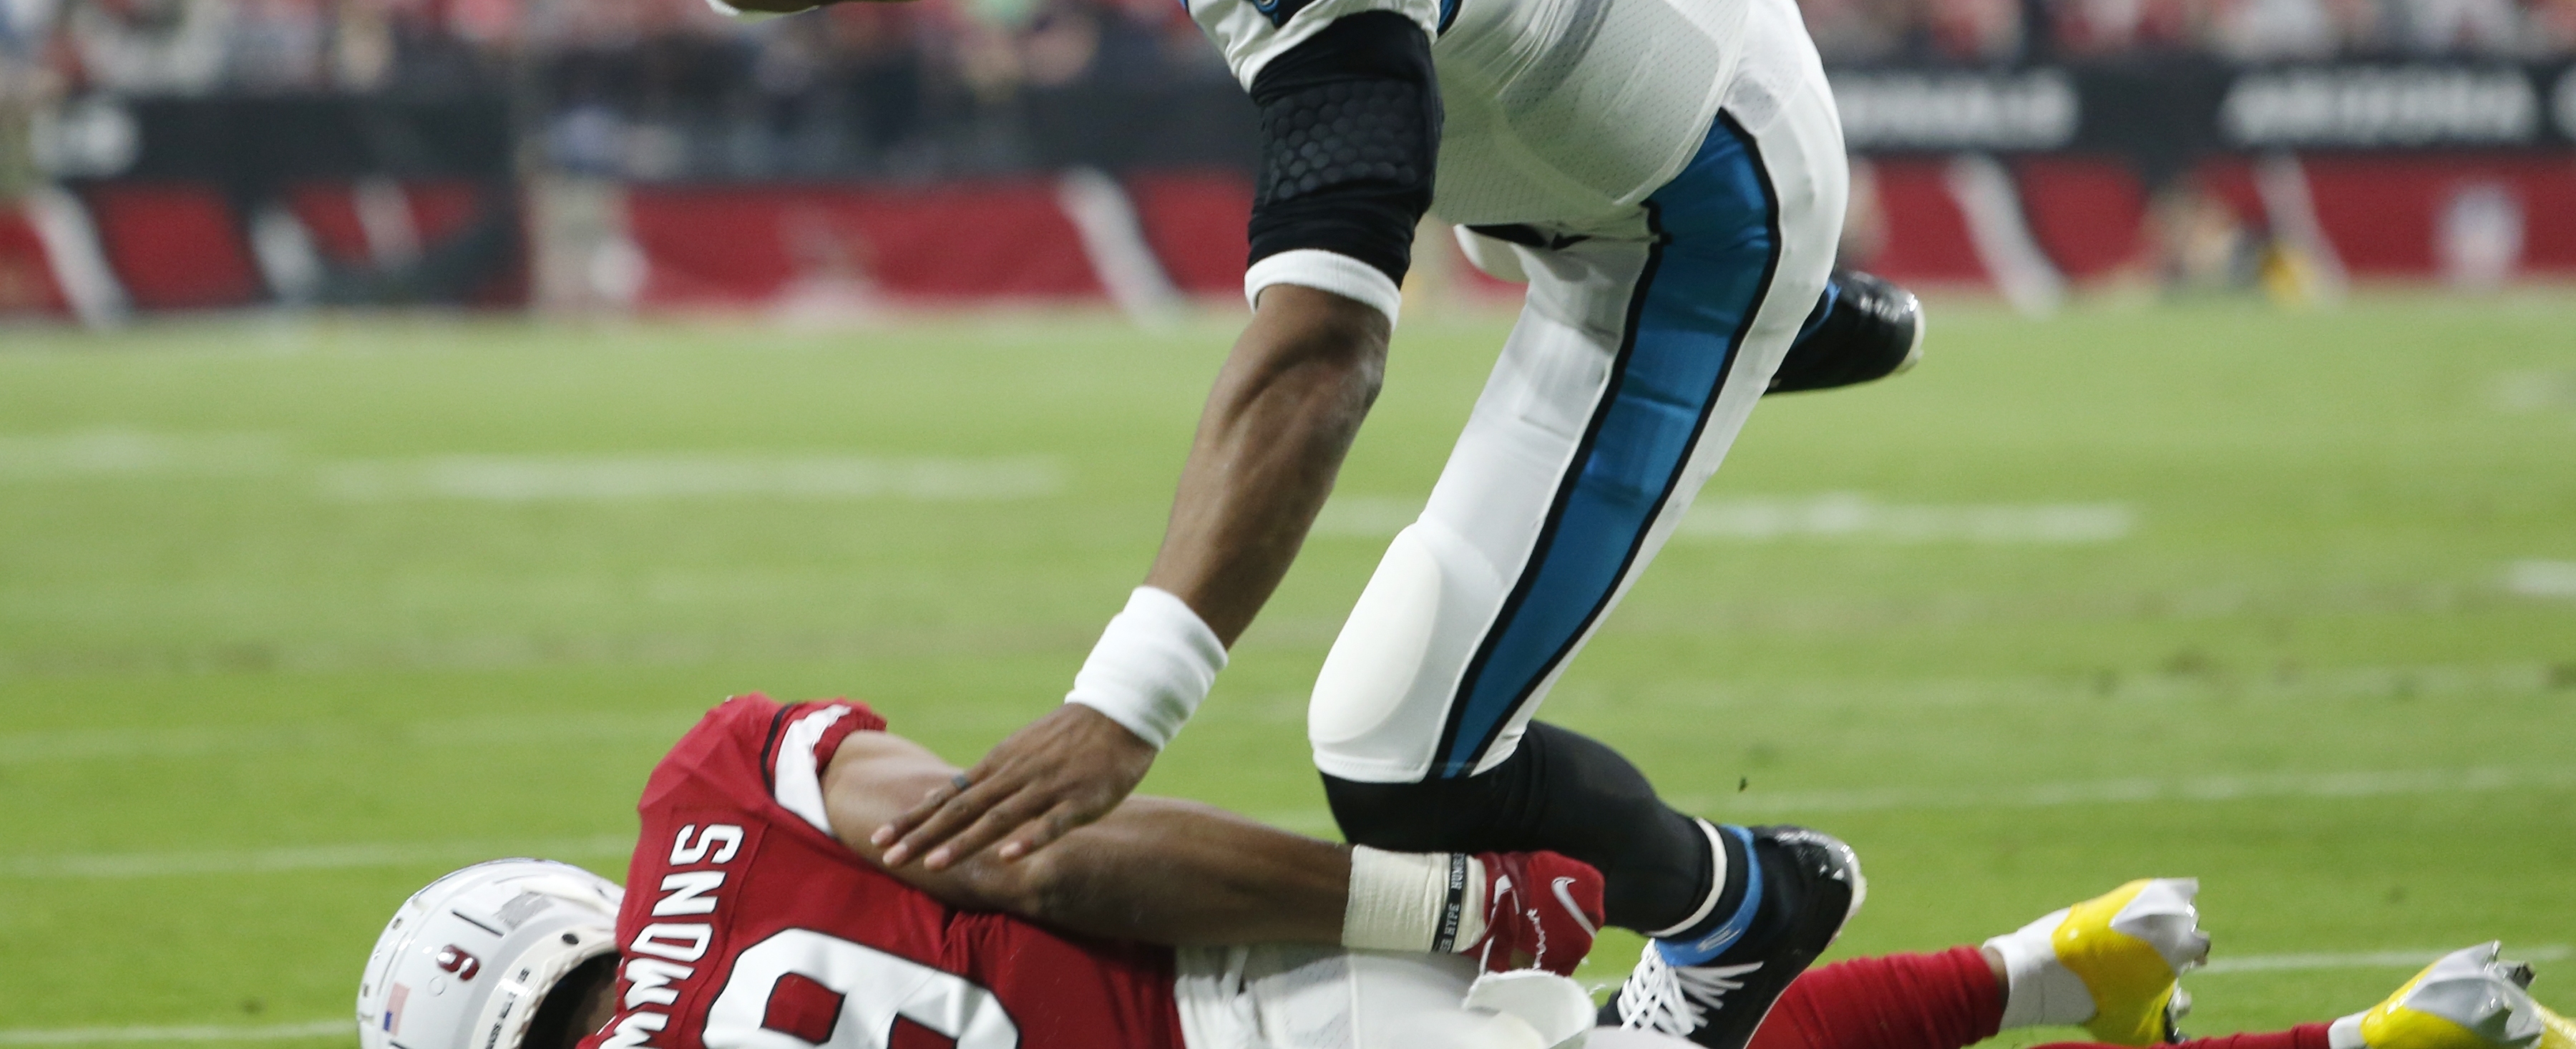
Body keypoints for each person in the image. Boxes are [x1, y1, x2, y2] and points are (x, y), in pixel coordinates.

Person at [692, 0, 1922, 1043]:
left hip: (1687, 209)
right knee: (1468, 181)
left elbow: (1323, 349)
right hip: (1604, 59)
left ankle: (1748, 906)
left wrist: (1126, 703)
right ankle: (1774, 343)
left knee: (1398, 757)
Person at [355, 691, 2566, 1049]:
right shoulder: (715, 786)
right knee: (1633, 1025)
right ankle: (2009, 972)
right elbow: (1072, 856)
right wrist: (1449, 904)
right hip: (1265, 990)